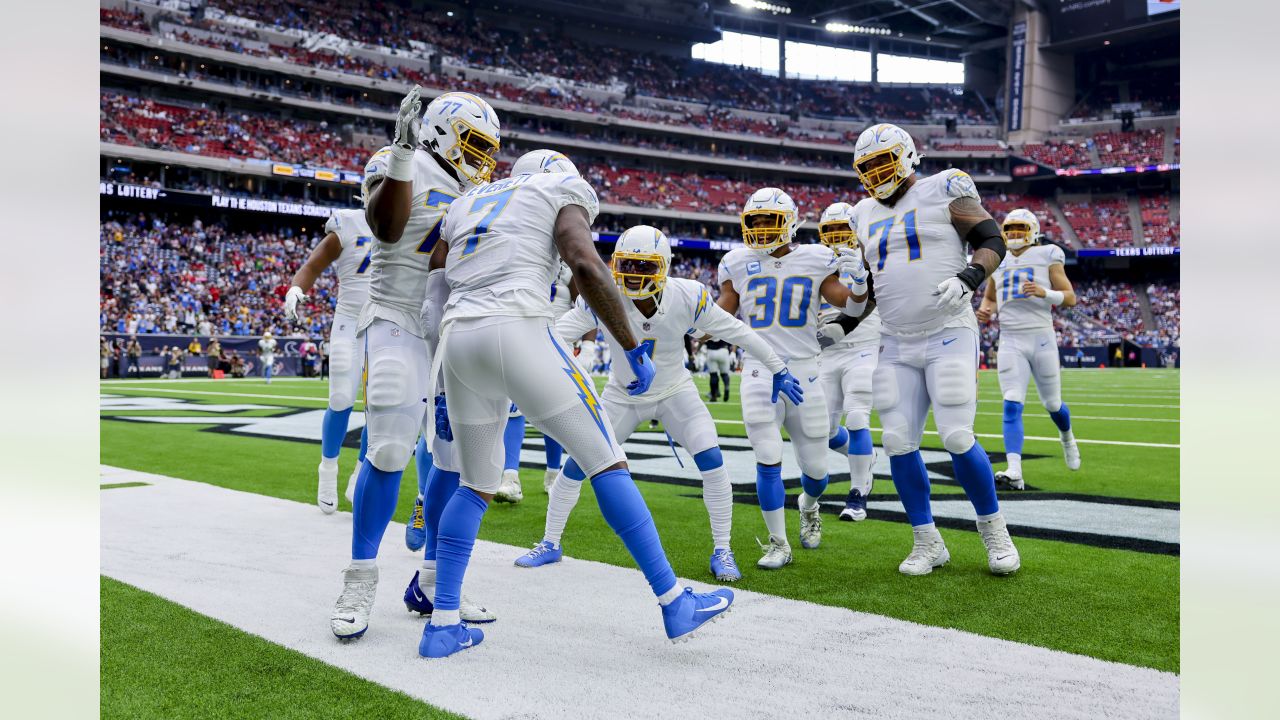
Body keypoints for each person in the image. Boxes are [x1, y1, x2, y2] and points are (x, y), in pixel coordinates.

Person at [419, 148, 734, 658]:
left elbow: (434, 287)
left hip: (457, 340)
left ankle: (443, 623)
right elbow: (584, 262)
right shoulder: (557, 190)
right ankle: (674, 600)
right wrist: (632, 348)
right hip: (519, 328)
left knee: (475, 483)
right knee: (606, 461)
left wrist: (437, 371)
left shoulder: (469, 198)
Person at [514, 222, 803, 582]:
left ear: (664, 266)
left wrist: (776, 367)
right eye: (627, 265)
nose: (634, 275)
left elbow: (737, 331)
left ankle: (722, 548)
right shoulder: (603, 294)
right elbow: (556, 335)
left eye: (645, 266)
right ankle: (550, 541)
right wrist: (521, 371)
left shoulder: (687, 296)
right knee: (576, 465)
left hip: (674, 393)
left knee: (712, 459)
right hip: (622, 397)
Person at [330, 87, 500, 641]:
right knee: (388, 448)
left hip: (449, 326)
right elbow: (385, 227)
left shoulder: (478, 191)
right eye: (472, 144)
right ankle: (359, 578)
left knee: (452, 461)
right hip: (397, 315)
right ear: (441, 132)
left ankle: (431, 580)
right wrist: (403, 157)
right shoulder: (399, 160)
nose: (480, 158)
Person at [846, 122, 1020, 576]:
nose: (877, 173)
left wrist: (969, 278)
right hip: (894, 340)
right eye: (869, 166)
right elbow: (875, 286)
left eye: (884, 161)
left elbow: (992, 239)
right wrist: (845, 320)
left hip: (948, 329)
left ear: (907, 157)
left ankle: (994, 531)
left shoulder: (945, 188)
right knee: (898, 443)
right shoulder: (861, 213)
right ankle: (927, 541)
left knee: (958, 436)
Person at [716, 188, 870, 570]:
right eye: (756, 221)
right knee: (767, 458)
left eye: (771, 220)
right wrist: (697, 322)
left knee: (816, 473)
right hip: (757, 371)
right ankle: (777, 543)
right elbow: (720, 314)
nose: (763, 229)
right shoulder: (736, 262)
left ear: (791, 223)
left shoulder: (817, 258)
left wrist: (862, 282)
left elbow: (850, 304)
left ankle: (809, 504)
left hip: (805, 371)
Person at [975, 209, 1081, 490]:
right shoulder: (998, 259)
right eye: (1009, 229)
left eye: (1020, 228)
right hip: (1010, 338)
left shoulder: (1048, 254)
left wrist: (1045, 292)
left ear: (1033, 230)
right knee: (1011, 402)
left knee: (1053, 404)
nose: (1014, 235)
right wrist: (986, 310)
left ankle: (1067, 436)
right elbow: (990, 299)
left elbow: (1070, 298)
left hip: (1041, 337)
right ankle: (1014, 470)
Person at [285, 207, 374, 514]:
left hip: (389, 324)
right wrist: (297, 288)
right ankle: (328, 469)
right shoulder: (349, 223)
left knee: (381, 406)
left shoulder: (410, 217)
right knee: (340, 398)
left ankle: (361, 470)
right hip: (349, 322)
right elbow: (313, 264)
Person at [815, 202, 882, 522]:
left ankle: (858, 492)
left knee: (856, 418)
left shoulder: (873, 257)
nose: (838, 237)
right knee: (823, 430)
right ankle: (864, 458)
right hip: (827, 352)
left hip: (865, 346)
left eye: (844, 229)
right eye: (831, 231)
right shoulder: (817, 262)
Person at [703, 337, 732, 402]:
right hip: (723, 350)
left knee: (713, 375)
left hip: (711, 351)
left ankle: (713, 396)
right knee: (725, 374)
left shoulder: (708, 327)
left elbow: (702, 339)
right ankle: (726, 387)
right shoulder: (724, 326)